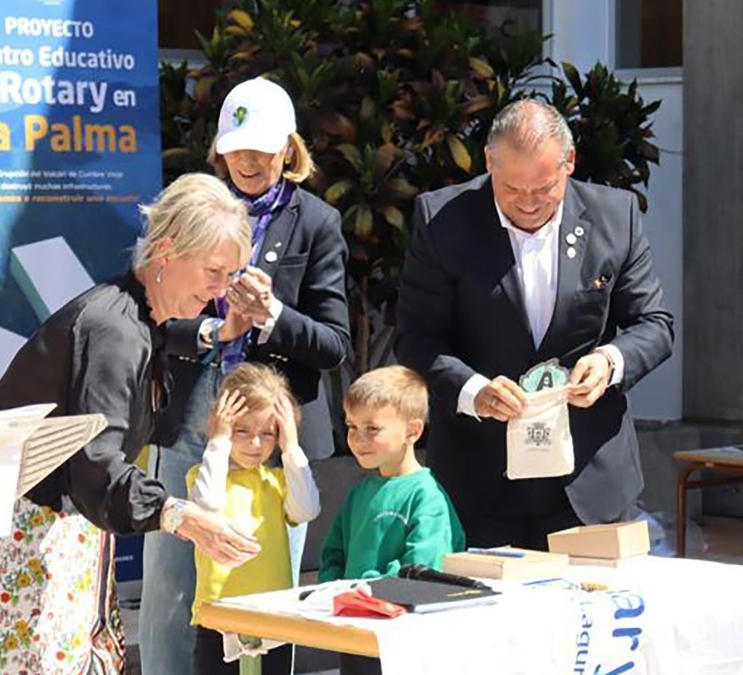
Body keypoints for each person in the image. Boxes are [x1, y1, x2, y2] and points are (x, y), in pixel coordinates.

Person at [0, 173, 263, 674]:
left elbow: (164, 339)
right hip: (27, 535)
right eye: (214, 272)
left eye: (231, 276)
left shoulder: (138, 314)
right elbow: (97, 461)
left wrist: (218, 332)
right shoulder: (114, 331)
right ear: (167, 252)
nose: (221, 292)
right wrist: (182, 517)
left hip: (47, 526)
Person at [395, 99, 674, 550]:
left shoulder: (614, 217)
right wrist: (474, 391)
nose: (527, 203)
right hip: (481, 479)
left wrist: (610, 361)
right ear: (488, 161)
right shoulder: (442, 220)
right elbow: (415, 337)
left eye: (544, 188)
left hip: (589, 479)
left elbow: (654, 324)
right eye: (510, 188)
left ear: (569, 163)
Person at [142, 76, 351, 675]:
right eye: (237, 146)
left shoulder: (317, 223)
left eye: (262, 147)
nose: (249, 160)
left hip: (272, 426)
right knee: (171, 583)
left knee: (265, 583)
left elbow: (334, 344)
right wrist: (218, 331)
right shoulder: (189, 210)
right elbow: (151, 317)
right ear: (218, 149)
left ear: (289, 147)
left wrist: (274, 316)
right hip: (192, 415)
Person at [187, 363, 320, 675]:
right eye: (241, 431)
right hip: (219, 618)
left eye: (267, 434)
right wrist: (218, 442)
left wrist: (291, 447)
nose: (255, 444)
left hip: (274, 618)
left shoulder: (278, 481)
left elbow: (307, 510)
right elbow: (206, 505)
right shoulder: (202, 476)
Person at [318, 365, 465, 582]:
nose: (358, 439)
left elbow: (422, 572)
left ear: (412, 430)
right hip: (349, 612)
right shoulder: (359, 493)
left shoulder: (427, 497)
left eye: (372, 429)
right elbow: (333, 556)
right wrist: (332, 593)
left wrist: (363, 590)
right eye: (352, 426)